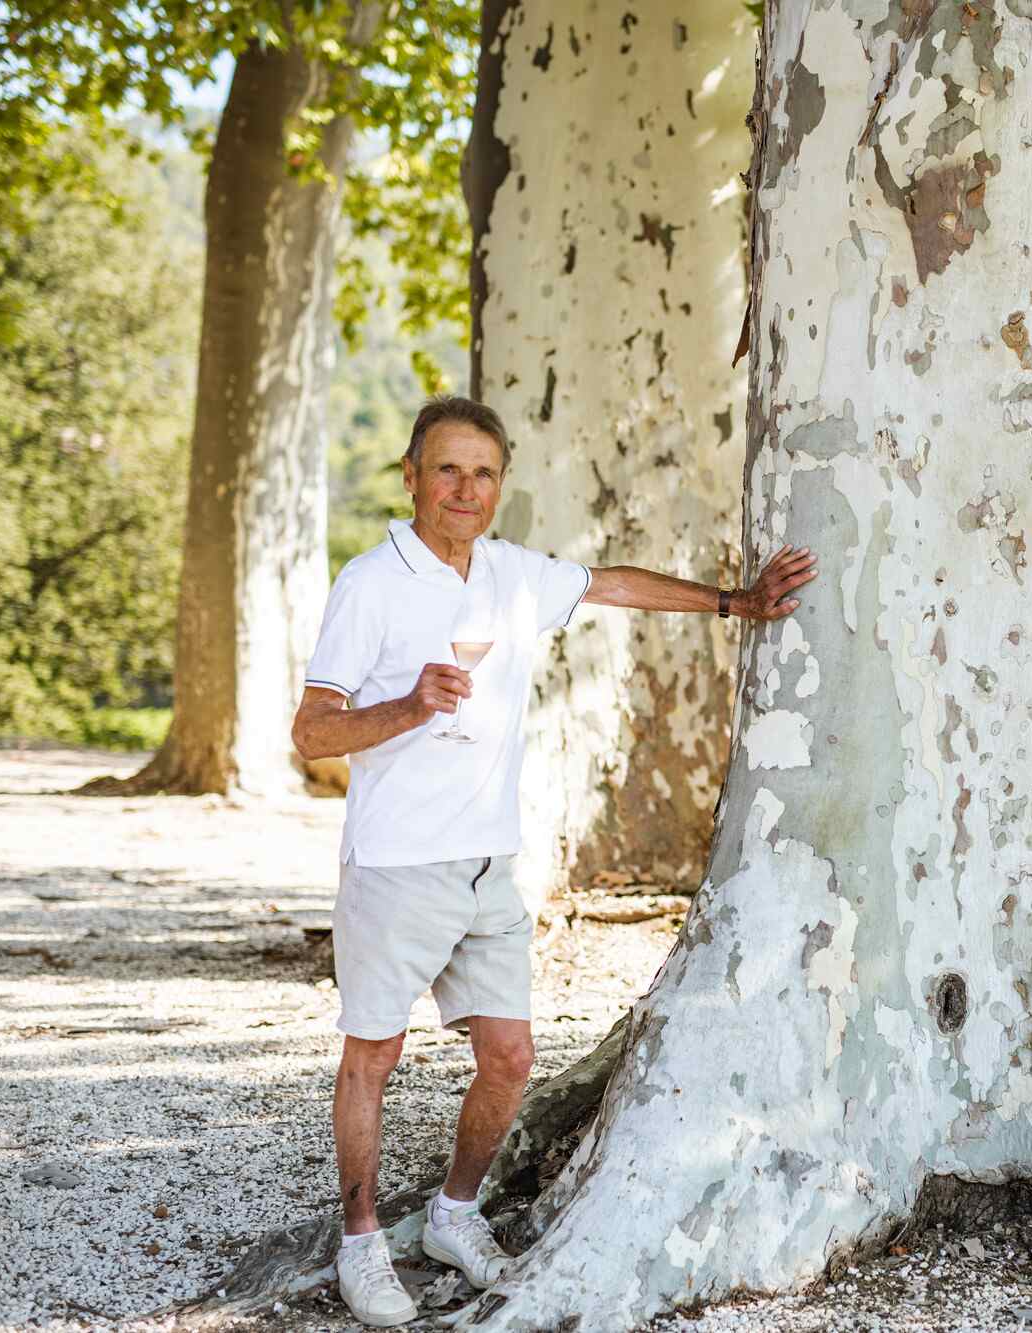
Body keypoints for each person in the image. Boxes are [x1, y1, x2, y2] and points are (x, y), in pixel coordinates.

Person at [290, 395, 815, 1326]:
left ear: (500, 487)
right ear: (411, 476)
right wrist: (410, 708)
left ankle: (454, 1213)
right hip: (395, 866)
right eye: (447, 469)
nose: (466, 489)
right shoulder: (370, 582)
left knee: (510, 1056)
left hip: (490, 864)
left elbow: (611, 583)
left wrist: (735, 603)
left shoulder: (510, 575)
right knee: (374, 1053)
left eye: (484, 473)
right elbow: (312, 731)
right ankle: (362, 1241)